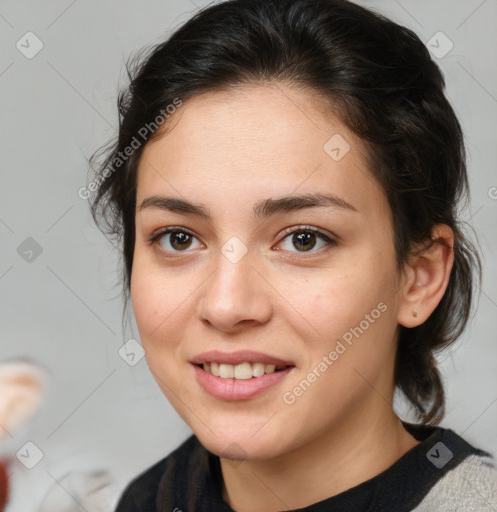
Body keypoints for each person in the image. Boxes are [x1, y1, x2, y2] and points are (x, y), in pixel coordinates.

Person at [87, 0, 497, 510]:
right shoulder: (152, 499)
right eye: (179, 238)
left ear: (418, 276)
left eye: (304, 239)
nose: (226, 305)